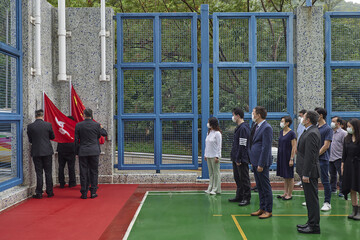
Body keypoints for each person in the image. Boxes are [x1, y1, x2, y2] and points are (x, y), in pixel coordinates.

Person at [296, 111, 321, 234]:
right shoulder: (309, 131)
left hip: (310, 172)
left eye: (303, 117)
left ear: (308, 120)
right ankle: (310, 222)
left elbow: (310, 156)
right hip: (306, 171)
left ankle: (314, 226)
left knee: (312, 199)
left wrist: (306, 173)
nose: (302, 118)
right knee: (309, 199)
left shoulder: (312, 133)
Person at [75, 108, 107, 199]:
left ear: (84, 115)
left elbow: (76, 140)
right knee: (94, 171)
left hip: (83, 151)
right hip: (94, 151)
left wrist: (77, 151)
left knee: (83, 172)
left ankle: (84, 192)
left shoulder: (79, 125)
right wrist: (101, 127)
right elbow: (104, 133)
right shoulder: (96, 125)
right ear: (92, 115)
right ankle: (93, 192)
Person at [249, 106, 273, 219]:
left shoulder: (267, 128)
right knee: (259, 186)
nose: (252, 114)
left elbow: (266, 147)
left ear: (258, 115)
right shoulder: (256, 126)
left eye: (253, 113)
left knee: (265, 186)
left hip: (261, 163)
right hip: (255, 161)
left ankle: (268, 210)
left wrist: (261, 164)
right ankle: (262, 207)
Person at [27, 109, 55, 199]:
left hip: (36, 152)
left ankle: (39, 192)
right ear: (42, 116)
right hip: (47, 151)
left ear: (35, 116)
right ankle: (50, 192)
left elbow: (30, 140)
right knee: (48, 172)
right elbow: (52, 137)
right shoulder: (48, 125)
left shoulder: (30, 126)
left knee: (39, 173)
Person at [228, 108, 251, 206]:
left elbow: (243, 144)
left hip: (241, 158)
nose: (233, 117)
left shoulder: (243, 128)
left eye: (233, 115)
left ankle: (246, 198)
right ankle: (239, 195)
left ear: (238, 115)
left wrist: (239, 158)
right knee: (237, 177)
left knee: (244, 178)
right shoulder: (239, 127)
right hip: (236, 157)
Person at [314, 107, 333, 211]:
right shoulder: (315, 127)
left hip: (322, 159)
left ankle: (327, 202)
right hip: (314, 159)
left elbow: (326, 146)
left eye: (316, 114)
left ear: (320, 115)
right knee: (313, 180)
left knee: (325, 181)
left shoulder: (328, 129)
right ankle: (313, 200)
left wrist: (316, 155)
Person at [341, 119, 360, 220]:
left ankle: (359, 211)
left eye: (350, 126)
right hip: (349, 165)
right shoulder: (346, 138)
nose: (348, 128)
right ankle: (354, 209)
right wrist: (343, 165)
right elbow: (344, 154)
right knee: (352, 188)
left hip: (358, 165)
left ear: (355, 127)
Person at [276, 116, 297, 200]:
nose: (281, 123)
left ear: (287, 123)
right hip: (281, 156)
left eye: (282, 121)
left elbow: (294, 147)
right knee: (285, 176)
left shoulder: (292, 133)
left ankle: (290, 194)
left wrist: (291, 158)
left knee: (290, 176)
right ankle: (285, 192)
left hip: (288, 157)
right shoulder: (281, 132)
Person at [329, 116, 347, 197]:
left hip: (339, 157)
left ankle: (342, 191)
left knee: (342, 175)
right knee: (332, 175)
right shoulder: (331, 132)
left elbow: (346, 146)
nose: (332, 123)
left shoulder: (343, 133)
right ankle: (333, 189)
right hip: (331, 157)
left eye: (333, 121)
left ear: (338, 123)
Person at [57, 116, 77, 188]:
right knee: (71, 167)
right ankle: (72, 182)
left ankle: (61, 182)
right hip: (71, 148)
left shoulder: (61, 127)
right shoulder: (74, 128)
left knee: (61, 167)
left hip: (61, 148)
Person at [204, 117, 222, 195]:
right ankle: (210, 187)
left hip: (214, 156)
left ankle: (216, 189)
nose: (208, 124)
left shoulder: (217, 133)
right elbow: (207, 145)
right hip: (208, 155)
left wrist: (217, 156)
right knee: (211, 173)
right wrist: (205, 154)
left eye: (209, 122)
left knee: (216, 173)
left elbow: (219, 146)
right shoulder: (208, 133)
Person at [295, 109, 307, 187]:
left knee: (304, 164)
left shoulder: (307, 126)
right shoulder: (300, 125)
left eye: (301, 115)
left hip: (305, 148)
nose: (299, 117)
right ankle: (300, 179)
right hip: (299, 147)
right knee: (299, 165)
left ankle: (304, 180)